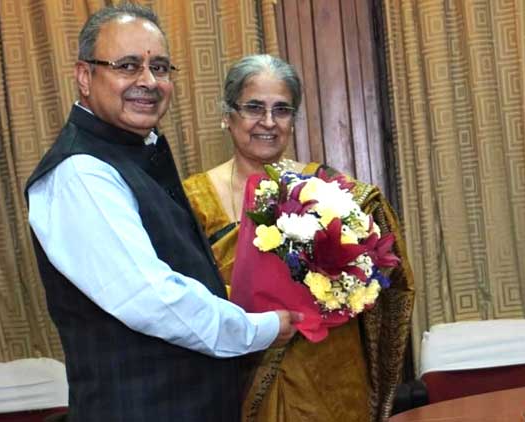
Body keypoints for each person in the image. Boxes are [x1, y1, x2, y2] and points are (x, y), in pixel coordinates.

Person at [25, 6, 301, 422]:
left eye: (159, 67)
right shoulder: (80, 173)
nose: (148, 82)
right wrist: (258, 329)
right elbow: (153, 299)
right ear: (85, 76)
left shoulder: (136, 153)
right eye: (127, 66)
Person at [183, 54, 415, 422]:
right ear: (227, 115)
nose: (269, 122)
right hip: (238, 375)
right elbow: (179, 296)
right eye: (254, 108)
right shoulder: (192, 199)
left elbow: (384, 277)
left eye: (283, 109)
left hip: (329, 377)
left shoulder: (329, 190)